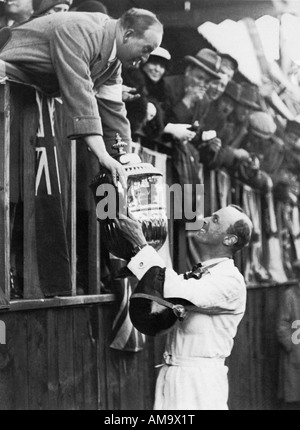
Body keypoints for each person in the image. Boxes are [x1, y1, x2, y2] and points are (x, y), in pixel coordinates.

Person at [0, 7, 163, 187]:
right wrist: (102, 155)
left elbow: (114, 110)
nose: (146, 58)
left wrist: (128, 161)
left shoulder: (113, 62)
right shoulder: (80, 31)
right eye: (147, 49)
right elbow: (79, 94)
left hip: (19, 96)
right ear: (128, 34)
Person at [115, 205, 253, 410]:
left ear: (229, 240)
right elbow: (164, 281)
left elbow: (172, 290)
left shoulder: (231, 281)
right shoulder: (202, 273)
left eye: (215, 219)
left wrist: (141, 242)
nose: (204, 219)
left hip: (200, 382)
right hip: (174, 372)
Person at [277, 285, 300, 410]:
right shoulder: (290, 295)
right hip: (295, 355)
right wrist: (290, 346)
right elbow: (282, 325)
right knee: (295, 396)